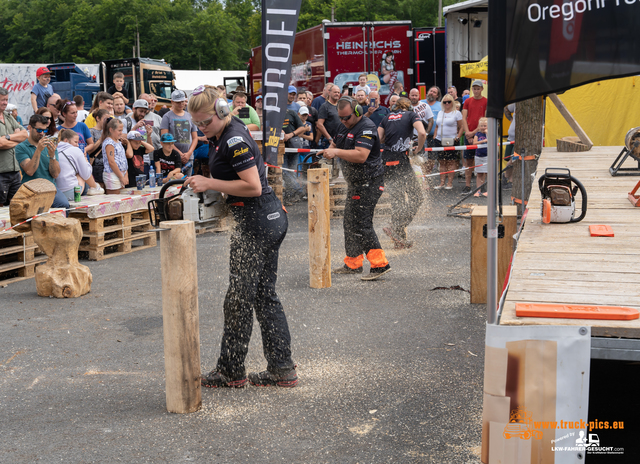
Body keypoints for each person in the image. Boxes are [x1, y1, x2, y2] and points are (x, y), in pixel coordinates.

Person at [185, 84, 297, 388]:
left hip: (256, 222)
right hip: (265, 218)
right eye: (197, 123)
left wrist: (209, 183)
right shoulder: (221, 135)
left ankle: (231, 370)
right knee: (263, 295)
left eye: (206, 121)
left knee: (238, 298)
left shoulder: (234, 140)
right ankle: (282, 368)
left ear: (222, 111)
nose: (202, 127)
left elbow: (253, 186)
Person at [324, 96, 391, 280]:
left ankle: (380, 264)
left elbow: (361, 155)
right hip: (355, 183)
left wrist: (336, 152)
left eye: (347, 118)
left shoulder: (367, 128)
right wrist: (330, 149)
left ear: (357, 112)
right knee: (349, 222)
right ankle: (353, 263)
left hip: (370, 182)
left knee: (362, 223)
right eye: (341, 118)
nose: (344, 121)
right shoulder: (343, 126)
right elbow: (336, 142)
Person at [378, 96, 426, 249]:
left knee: (397, 200)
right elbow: (422, 133)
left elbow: (379, 138)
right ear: (409, 107)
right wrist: (418, 149)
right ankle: (395, 227)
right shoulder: (411, 115)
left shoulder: (386, 117)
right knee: (417, 197)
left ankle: (399, 240)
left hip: (386, 161)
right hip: (401, 161)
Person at [15, 114, 69, 210]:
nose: (42, 133)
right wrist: (38, 150)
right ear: (30, 128)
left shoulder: (50, 144)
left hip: (50, 188)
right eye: (39, 130)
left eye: (45, 130)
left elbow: (55, 174)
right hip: (31, 189)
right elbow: (30, 171)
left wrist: (52, 156)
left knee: (64, 205)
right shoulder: (21, 147)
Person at [55, 129, 104, 200]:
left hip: (58, 193)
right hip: (72, 193)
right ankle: (95, 187)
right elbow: (86, 174)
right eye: (75, 142)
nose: (77, 145)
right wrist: (86, 162)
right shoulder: (75, 150)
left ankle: (95, 187)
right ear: (66, 141)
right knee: (80, 173)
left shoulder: (54, 150)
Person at [0, 88, 29, 206]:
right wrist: (16, 138)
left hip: (15, 172)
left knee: (17, 206)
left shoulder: (8, 116)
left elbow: (25, 134)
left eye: (6, 99)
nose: (5, 103)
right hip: (1, 173)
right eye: (2, 100)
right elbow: (0, 144)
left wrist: (6, 137)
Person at [161, 90, 197, 176]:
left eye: (183, 101)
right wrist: (179, 154)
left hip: (189, 156)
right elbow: (164, 137)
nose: (181, 104)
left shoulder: (190, 116)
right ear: (172, 102)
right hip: (172, 156)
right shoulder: (167, 116)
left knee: (186, 183)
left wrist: (189, 153)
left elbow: (195, 137)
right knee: (173, 182)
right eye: (178, 102)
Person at [462, 79, 487, 194]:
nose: (476, 91)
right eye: (474, 88)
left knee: (483, 160)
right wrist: (468, 133)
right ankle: (467, 185)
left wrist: (473, 133)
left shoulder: (486, 101)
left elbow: (485, 120)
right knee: (468, 161)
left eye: (478, 88)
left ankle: (482, 186)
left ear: (482, 89)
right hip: (469, 133)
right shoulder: (467, 101)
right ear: (472, 89)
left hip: (480, 133)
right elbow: (464, 118)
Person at [433, 94, 463, 190]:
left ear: (452, 102)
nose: (447, 103)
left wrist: (458, 137)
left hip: (452, 140)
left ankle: (449, 183)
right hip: (439, 139)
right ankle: (442, 182)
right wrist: (434, 135)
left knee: (451, 161)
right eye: (444, 102)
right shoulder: (440, 112)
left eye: (449, 101)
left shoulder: (457, 113)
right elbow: (437, 126)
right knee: (441, 162)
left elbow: (461, 127)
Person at [281, 107, 306, 205]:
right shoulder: (273, 114)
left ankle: (289, 198)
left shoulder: (291, 112)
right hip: (280, 148)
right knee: (284, 171)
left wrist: (290, 134)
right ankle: (298, 189)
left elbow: (302, 127)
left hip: (293, 146)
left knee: (291, 173)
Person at [100, 118, 128, 194]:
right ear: (111, 130)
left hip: (121, 174)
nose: (121, 133)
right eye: (119, 130)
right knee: (115, 202)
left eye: (122, 130)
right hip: (112, 175)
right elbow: (111, 162)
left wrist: (125, 174)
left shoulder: (118, 141)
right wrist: (121, 177)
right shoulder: (109, 142)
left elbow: (123, 159)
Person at [420, 86, 442, 180]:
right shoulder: (421, 103)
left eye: (434, 92)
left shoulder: (440, 105)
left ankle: (427, 176)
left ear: (437, 95)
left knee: (431, 159)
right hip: (420, 136)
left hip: (433, 136)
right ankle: (421, 178)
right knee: (420, 158)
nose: (431, 93)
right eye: (430, 91)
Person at [316, 84, 341, 148]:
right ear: (329, 93)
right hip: (329, 142)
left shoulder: (340, 106)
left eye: (338, 92)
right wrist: (329, 138)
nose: (337, 94)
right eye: (335, 92)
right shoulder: (324, 106)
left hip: (340, 140)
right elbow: (319, 124)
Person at [473, 117, 489, 196]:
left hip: (487, 156)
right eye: (481, 126)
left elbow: (492, 140)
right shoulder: (477, 134)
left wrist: (487, 133)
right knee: (479, 174)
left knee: (488, 174)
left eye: (485, 125)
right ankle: (478, 190)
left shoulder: (490, 133)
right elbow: (474, 142)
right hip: (478, 156)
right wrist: (483, 141)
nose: (483, 127)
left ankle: (489, 190)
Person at [503, 103, 516, 187]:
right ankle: (510, 181)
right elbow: (506, 108)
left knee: (513, 160)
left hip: (519, 140)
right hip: (510, 138)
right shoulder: (516, 103)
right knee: (509, 160)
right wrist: (511, 119)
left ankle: (505, 177)